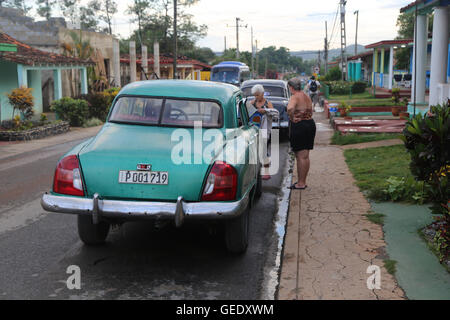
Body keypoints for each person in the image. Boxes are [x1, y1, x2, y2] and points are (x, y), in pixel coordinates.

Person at [287, 78, 317, 190]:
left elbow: (290, 108)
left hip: (299, 126)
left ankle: (300, 183)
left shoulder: (294, 97)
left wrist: (291, 116)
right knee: (305, 156)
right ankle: (302, 181)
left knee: (300, 156)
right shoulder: (306, 96)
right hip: (310, 124)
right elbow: (311, 110)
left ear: (291, 87)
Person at [247, 85, 276, 181]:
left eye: (257, 95)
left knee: (263, 150)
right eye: (255, 95)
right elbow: (247, 113)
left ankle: (266, 172)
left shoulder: (268, 103)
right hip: (254, 130)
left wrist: (266, 111)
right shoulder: (253, 102)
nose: (256, 97)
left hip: (264, 130)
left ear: (262, 94)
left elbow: (274, 113)